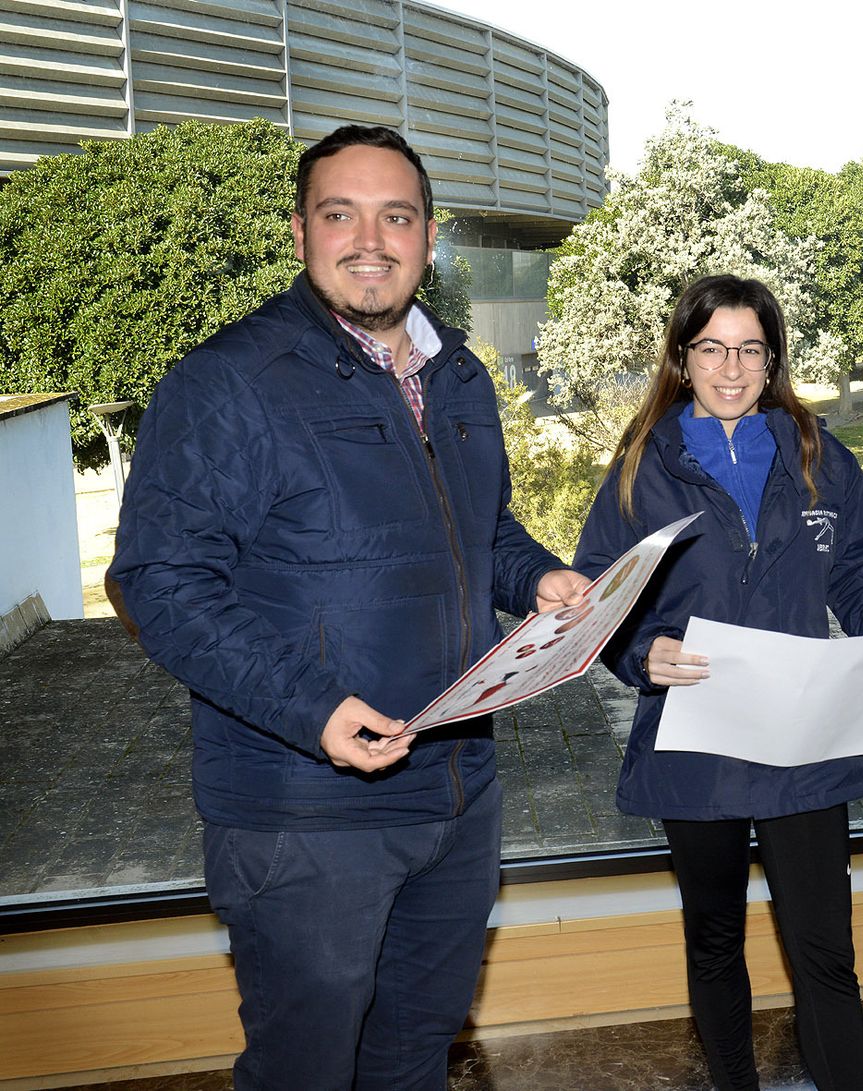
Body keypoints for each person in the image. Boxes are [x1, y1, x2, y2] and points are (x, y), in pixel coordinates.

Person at [107, 125, 586, 1089]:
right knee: (306, 1072)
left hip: (457, 791)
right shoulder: (228, 383)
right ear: (299, 233)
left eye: (396, 216)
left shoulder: (457, 375)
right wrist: (311, 708)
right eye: (341, 214)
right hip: (304, 815)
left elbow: (481, 533)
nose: (371, 239)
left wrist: (536, 578)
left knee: (412, 1057)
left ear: (429, 234)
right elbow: (157, 578)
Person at [573, 274, 863, 1091]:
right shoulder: (645, 462)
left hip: (802, 738)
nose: (732, 367)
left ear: (773, 357)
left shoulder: (817, 451)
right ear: (683, 355)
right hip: (695, 737)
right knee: (713, 936)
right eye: (712, 348)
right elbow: (598, 592)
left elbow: (862, 571)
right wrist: (643, 648)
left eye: (750, 349)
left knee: (825, 952)